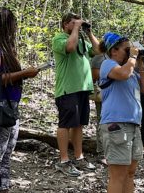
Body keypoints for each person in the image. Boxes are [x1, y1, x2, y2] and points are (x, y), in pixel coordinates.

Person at [0, 7, 39, 193]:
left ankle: (3, 188)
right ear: (1, 24)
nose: (13, 28)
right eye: (10, 24)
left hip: (8, 107)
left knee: (4, 156)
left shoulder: (2, 47)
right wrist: (25, 73)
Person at [99, 32, 144, 193]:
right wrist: (133, 57)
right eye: (126, 49)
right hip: (116, 124)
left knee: (130, 173)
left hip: (133, 125)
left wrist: (140, 63)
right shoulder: (108, 64)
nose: (130, 52)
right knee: (118, 175)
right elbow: (123, 74)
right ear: (114, 50)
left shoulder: (131, 70)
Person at [52, 12, 100, 176]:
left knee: (79, 124)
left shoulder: (82, 41)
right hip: (67, 89)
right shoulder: (59, 39)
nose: (77, 25)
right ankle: (64, 160)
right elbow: (70, 47)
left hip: (82, 89)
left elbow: (98, 50)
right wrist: (76, 28)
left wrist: (89, 32)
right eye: (74, 22)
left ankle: (79, 157)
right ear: (65, 24)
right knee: (65, 124)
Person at [90, 52, 107, 165]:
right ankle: (101, 152)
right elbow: (94, 76)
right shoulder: (99, 57)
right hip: (103, 93)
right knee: (102, 121)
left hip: (115, 94)